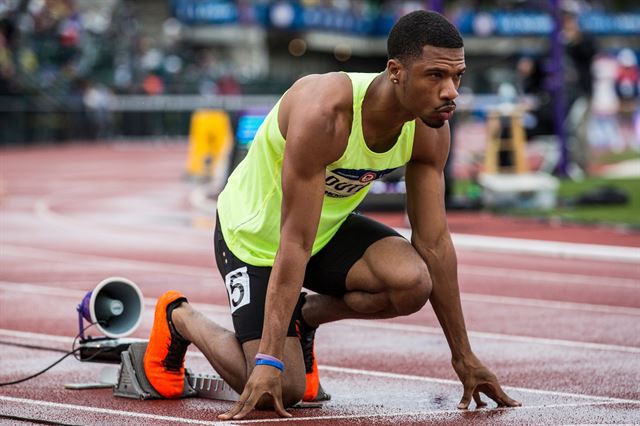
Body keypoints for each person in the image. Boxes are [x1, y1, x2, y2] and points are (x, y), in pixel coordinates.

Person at [143, 10, 521, 420]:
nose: (451, 92)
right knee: (284, 389)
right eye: (435, 76)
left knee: (413, 283)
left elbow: (433, 242)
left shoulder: (430, 128)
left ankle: (304, 317)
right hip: (253, 237)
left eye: (457, 77)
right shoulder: (326, 113)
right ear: (396, 72)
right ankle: (179, 316)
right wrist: (269, 361)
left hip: (324, 231)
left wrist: (463, 356)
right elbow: (293, 241)